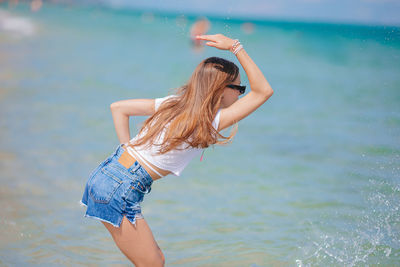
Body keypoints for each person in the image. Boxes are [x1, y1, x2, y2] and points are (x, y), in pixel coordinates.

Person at [80, 33, 274, 267]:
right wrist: (235, 47)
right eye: (239, 88)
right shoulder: (210, 120)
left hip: (108, 173)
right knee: (153, 264)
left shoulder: (173, 103)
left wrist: (126, 150)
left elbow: (118, 108)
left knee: (156, 261)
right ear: (222, 89)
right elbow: (263, 91)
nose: (241, 93)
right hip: (121, 187)